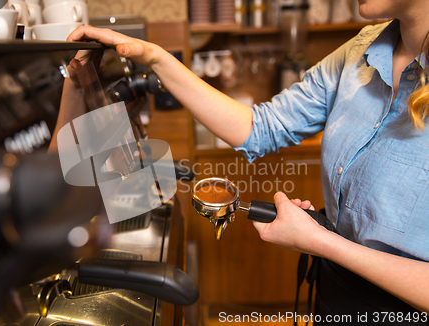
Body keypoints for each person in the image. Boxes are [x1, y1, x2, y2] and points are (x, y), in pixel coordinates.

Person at [65, 0, 429, 322]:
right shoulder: (361, 49)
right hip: (334, 288)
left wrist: (322, 242)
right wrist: (156, 57)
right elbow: (261, 126)